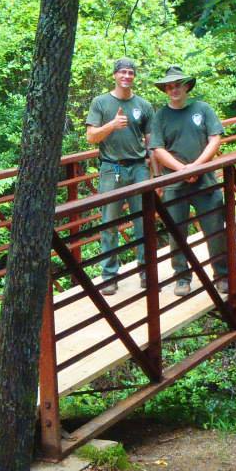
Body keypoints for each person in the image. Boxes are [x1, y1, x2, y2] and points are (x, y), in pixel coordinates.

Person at [148, 66, 227, 297]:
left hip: (205, 181)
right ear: (165, 90)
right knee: (177, 233)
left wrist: (196, 166)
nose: (174, 89)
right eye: (169, 86)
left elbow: (215, 139)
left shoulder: (202, 109)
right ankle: (182, 277)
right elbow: (157, 149)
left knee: (215, 230)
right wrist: (182, 170)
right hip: (175, 183)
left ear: (186, 86)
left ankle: (221, 275)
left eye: (177, 85)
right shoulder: (160, 116)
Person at [85, 58, 154, 295]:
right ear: (114, 75)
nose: (126, 76)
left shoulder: (143, 105)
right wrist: (112, 125)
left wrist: (156, 173)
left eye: (130, 73)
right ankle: (109, 276)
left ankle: (146, 272)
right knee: (109, 222)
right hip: (111, 168)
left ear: (134, 76)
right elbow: (91, 137)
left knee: (144, 221)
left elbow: (151, 141)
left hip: (139, 168)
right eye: (122, 72)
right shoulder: (101, 102)